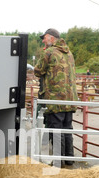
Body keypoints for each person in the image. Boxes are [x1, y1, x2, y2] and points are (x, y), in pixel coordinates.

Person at [34, 28, 78, 167]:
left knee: (56, 130)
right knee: (67, 128)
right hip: (70, 99)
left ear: (52, 38)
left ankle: (58, 162)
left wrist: (44, 52)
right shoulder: (69, 53)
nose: (43, 40)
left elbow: (38, 70)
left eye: (45, 38)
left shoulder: (49, 52)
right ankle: (69, 159)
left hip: (55, 99)